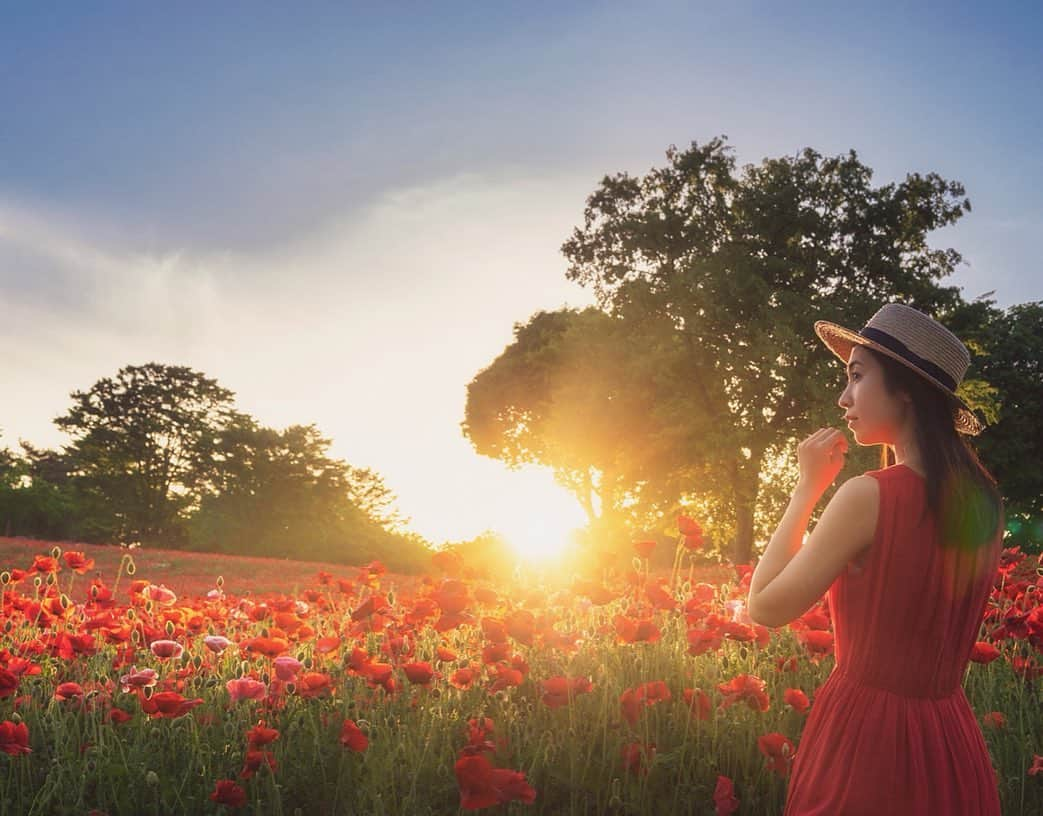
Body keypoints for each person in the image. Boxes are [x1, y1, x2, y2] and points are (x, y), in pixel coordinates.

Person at [747, 302, 1005, 815]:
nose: (844, 398)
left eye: (857, 376)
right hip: (949, 739)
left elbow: (765, 607)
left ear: (907, 387)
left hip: (865, 740)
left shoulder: (867, 496)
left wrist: (806, 490)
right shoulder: (985, 502)